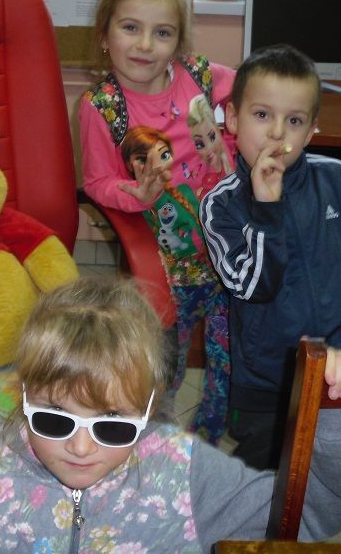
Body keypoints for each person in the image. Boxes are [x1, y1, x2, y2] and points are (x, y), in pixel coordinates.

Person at [0, 276, 341, 553]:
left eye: (112, 423)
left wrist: (334, 416)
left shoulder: (184, 475)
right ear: (23, 397)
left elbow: (308, 516)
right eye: (55, 417)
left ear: (147, 408)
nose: (80, 447)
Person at [200, 44, 341, 471]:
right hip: (271, 382)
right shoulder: (220, 205)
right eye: (263, 115)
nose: (278, 134)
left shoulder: (336, 178)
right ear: (233, 119)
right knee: (271, 483)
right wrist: (267, 209)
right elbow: (254, 286)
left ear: (312, 130)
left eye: (294, 121)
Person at [79, 0, 236, 443]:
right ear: (105, 35)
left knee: (230, 356)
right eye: (131, 27)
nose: (145, 45)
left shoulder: (201, 76)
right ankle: (158, 441)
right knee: (165, 360)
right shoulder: (102, 106)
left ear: (178, 44)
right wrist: (135, 195)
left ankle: (211, 437)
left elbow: (253, 95)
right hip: (166, 258)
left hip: (228, 244)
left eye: (162, 33)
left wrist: (241, 133)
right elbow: (97, 182)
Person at [121, 126, 229, 444]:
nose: (159, 164)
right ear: (133, 166)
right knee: (171, 362)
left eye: (164, 155)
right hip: (177, 294)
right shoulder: (138, 202)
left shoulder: (185, 191)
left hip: (216, 284)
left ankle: (208, 436)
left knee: (222, 361)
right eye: (145, 160)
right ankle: (159, 431)